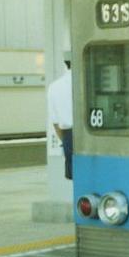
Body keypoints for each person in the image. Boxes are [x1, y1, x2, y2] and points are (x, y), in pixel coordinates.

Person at [47, 51, 73, 180]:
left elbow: (55, 123)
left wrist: (66, 141)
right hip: (92, 135)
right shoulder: (88, 83)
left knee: (75, 177)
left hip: (67, 136)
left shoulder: (54, 87)